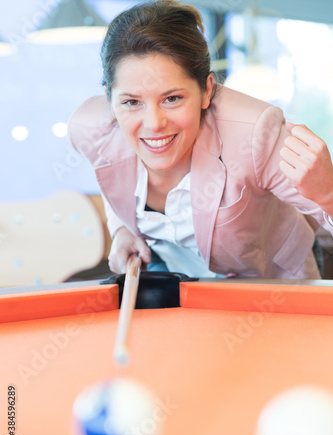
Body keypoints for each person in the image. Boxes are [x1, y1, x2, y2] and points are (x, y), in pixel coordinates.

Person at [68, 0, 333, 279]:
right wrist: (121, 230)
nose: (154, 124)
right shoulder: (90, 131)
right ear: (110, 99)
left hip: (269, 276)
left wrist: (328, 193)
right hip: (174, 275)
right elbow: (111, 178)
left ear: (207, 90)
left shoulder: (256, 134)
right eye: (132, 102)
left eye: (172, 98)